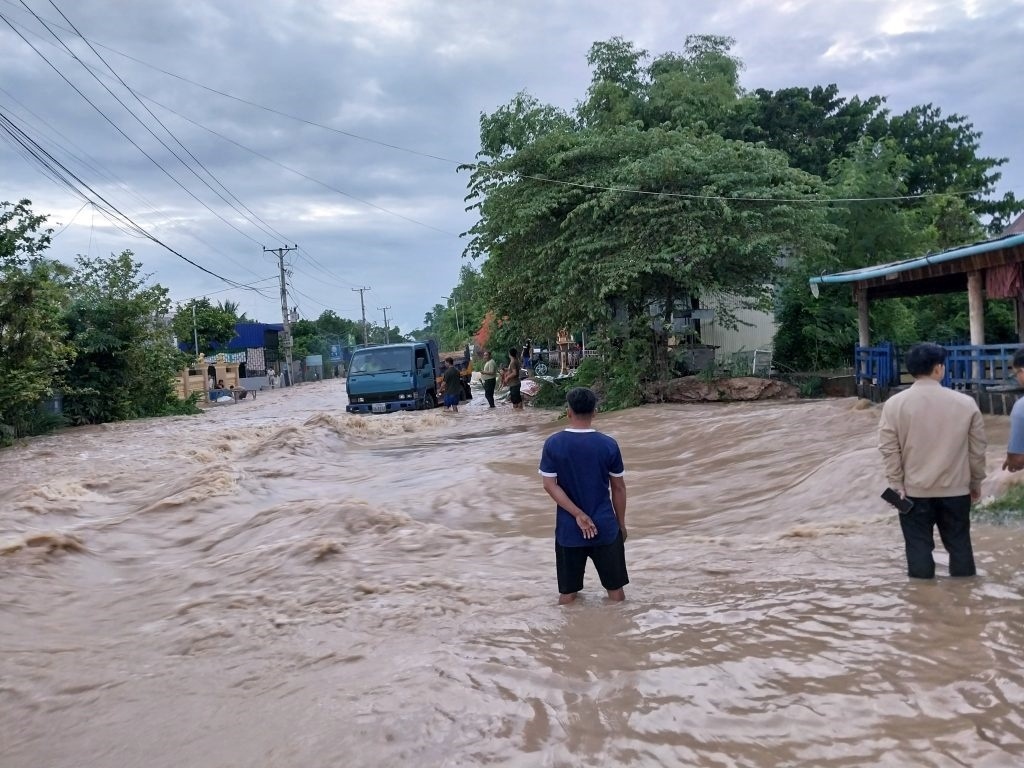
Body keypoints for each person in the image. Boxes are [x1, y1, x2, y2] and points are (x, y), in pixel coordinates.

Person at [878, 342, 987, 579]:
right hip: (956, 491)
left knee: (917, 548)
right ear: (938, 368)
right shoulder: (965, 403)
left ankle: (922, 604)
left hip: (912, 493)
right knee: (960, 547)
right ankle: (965, 602)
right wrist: (975, 482)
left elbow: (888, 449)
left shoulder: (894, 404)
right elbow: (977, 450)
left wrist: (896, 484)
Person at [539, 387, 628, 604]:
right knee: (616, 593)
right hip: (606, 527)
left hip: (569, 530)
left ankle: (570, 637)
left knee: (568, 595)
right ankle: (621, 635)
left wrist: (578, 515)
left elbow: (549, 485)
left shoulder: (554, 443)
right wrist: (621, 525)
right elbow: (618, 488)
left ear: (568, 411)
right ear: (595, 412)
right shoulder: (608, 444)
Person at [1003, 349, 1024, 473]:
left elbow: (1018, 459)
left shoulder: (1021, 407)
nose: (1017, 378)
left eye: (1016, 373)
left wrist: (1012, 459)